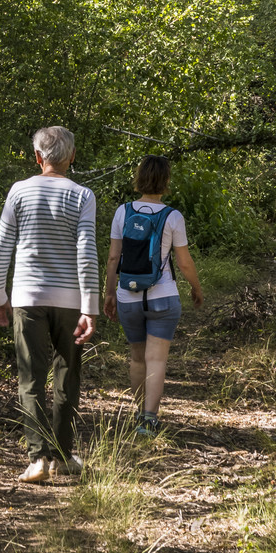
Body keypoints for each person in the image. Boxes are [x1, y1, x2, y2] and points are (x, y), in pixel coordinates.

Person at [0, 124, 100, 484]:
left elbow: (1, 250)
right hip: (70, 300)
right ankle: (63, 456)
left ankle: (38, 459)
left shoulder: (19, 191)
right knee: (67, 372)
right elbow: (86, 252)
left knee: (31, 377)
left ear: (38, 157)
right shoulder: (83, 195)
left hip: (27, 298)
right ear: (71, 157)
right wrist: (89, 306)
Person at [102, 154, 204, 437]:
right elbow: (183, 262)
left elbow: (113, 258)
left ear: (139, 178)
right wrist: (196, 288)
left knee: (137, 358)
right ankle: (150, 419)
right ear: (166, 181)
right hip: (163, 297)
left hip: (128, 296)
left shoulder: (123, 212)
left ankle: (138, 415)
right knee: (156, 359)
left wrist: (109, 292)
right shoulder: (173, 216)